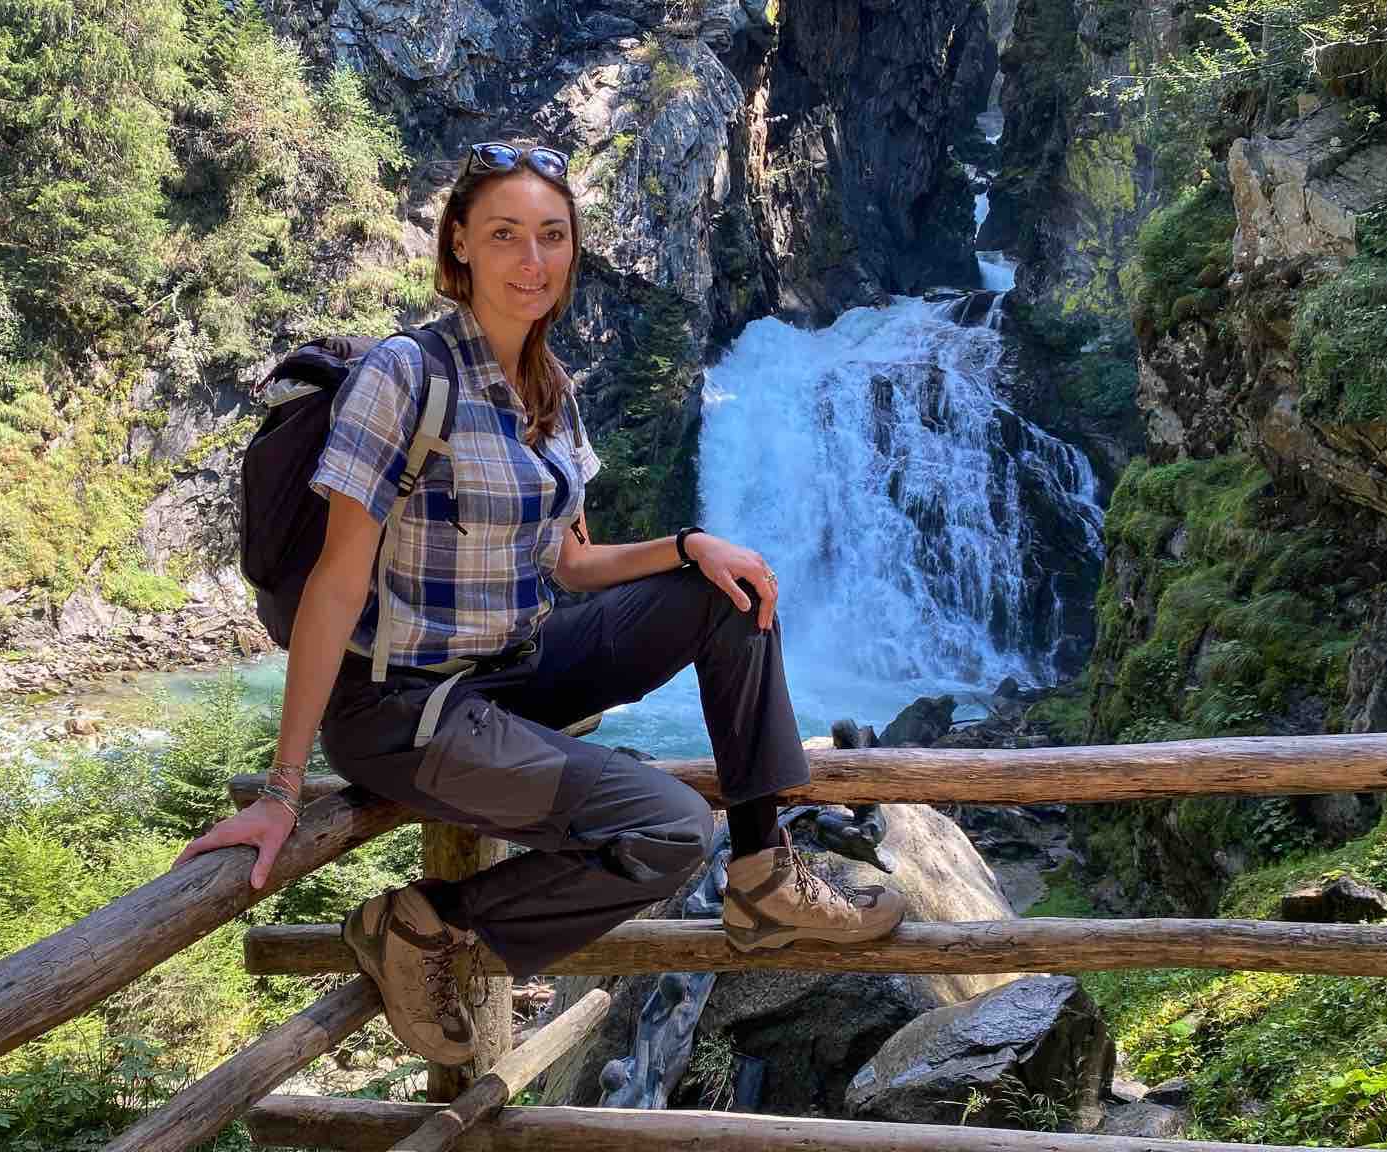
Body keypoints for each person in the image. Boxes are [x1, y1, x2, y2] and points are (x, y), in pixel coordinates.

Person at [171, 140, 905, 1067]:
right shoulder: (406, 375)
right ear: (460, 250)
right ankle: (426, 922)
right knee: (671, 828)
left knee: (728, 594)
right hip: (404, 709)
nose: (533, 260)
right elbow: (337, 583)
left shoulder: (550, 388)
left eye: (552, 237)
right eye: (506, 235)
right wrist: (282, 789)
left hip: (514, 672)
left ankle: (764, 872)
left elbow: (572, 561)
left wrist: (690, 544)